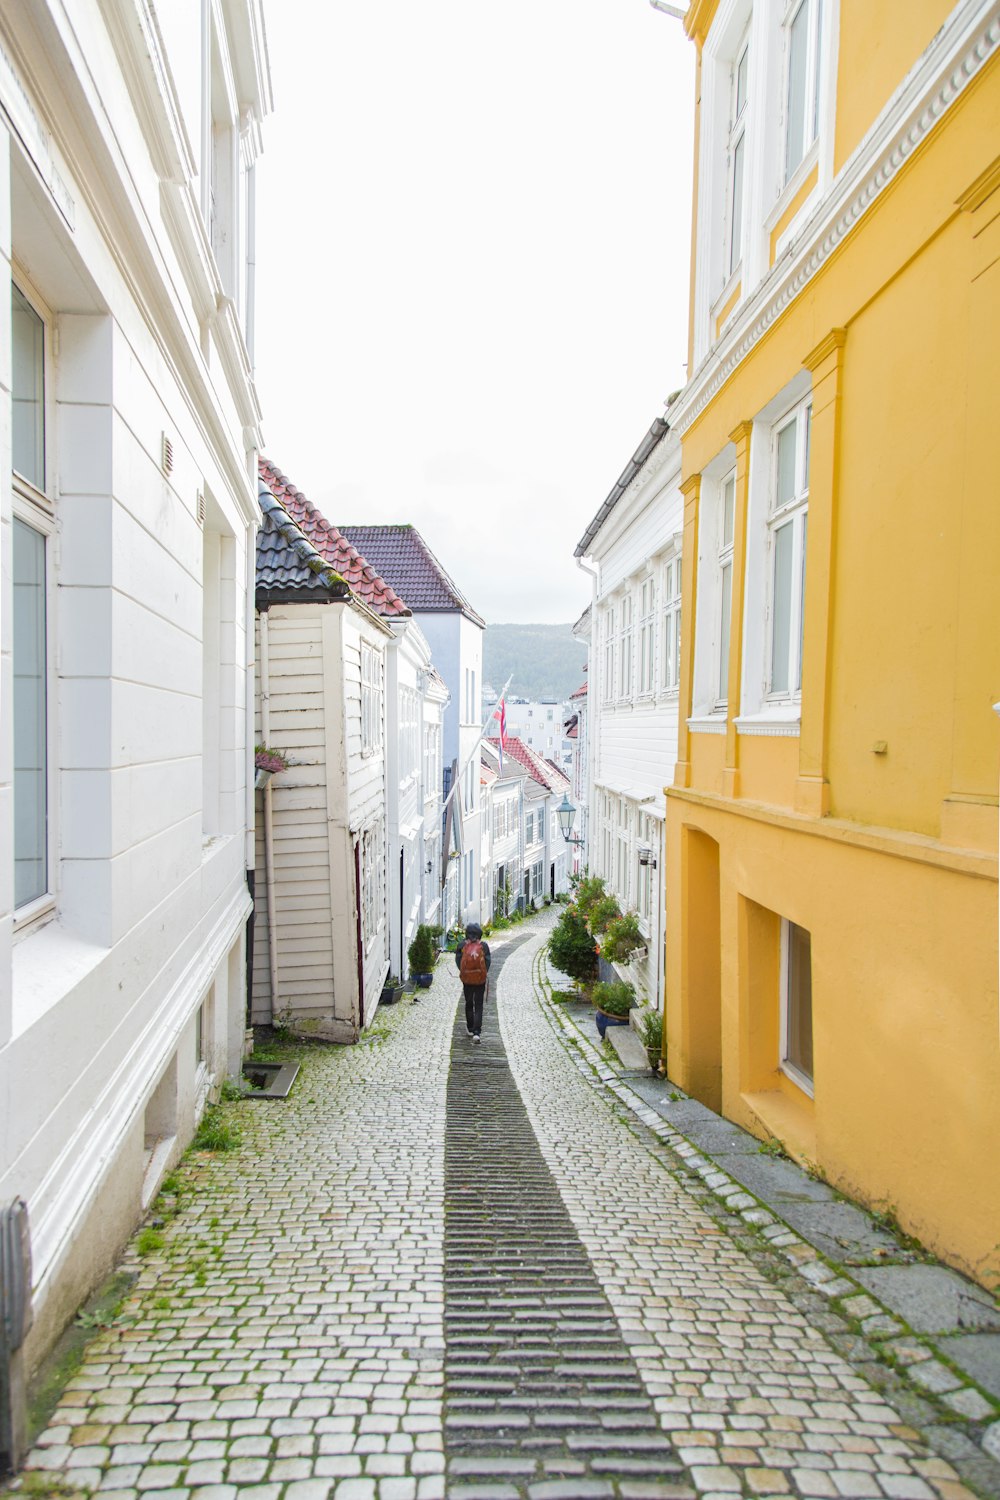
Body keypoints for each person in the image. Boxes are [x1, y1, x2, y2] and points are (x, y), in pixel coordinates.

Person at [455, 922, 492, 1043]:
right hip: (480, 980)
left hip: (467, 980)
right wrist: (482, 973)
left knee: (469, 1003)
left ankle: (470, 1028)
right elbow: (487, 962)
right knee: (479, 1004)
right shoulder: (484, 946)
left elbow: (458, 961)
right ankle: (477, 1032)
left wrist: (464, 971)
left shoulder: (461, 945)